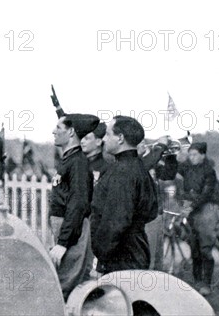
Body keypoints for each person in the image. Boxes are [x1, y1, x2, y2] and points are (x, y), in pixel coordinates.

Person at [90, 116, 158, 275]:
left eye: (108, 134)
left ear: (120, 138)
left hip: (120, 259)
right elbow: (151, 211)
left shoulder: (122, 171)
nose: (104, 139)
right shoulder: (137, 167)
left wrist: (101, 256)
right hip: (135, 252)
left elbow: (116, 221)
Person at [160, 141, 219, 296]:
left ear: (203, 155)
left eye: (195, 154)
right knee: (194, 249)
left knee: (205, 249)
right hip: (190, 209)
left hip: (206, 210)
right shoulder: (187, 167)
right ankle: (197, 282)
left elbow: (205, 194)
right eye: (190, 154)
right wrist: (170, 154)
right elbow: (173, 169)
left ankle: (206, 284)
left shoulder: (209, 171)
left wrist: (189, 207)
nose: (192, 157)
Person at [50, 113, 97, 299]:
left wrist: (63, 243)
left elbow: (77, 204)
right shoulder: (70, 159)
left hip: (71, 231)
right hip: (66, 228)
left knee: (66, 284)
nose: (53, 131)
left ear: (70, 133)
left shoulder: (77, 162)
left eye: (58, 128)